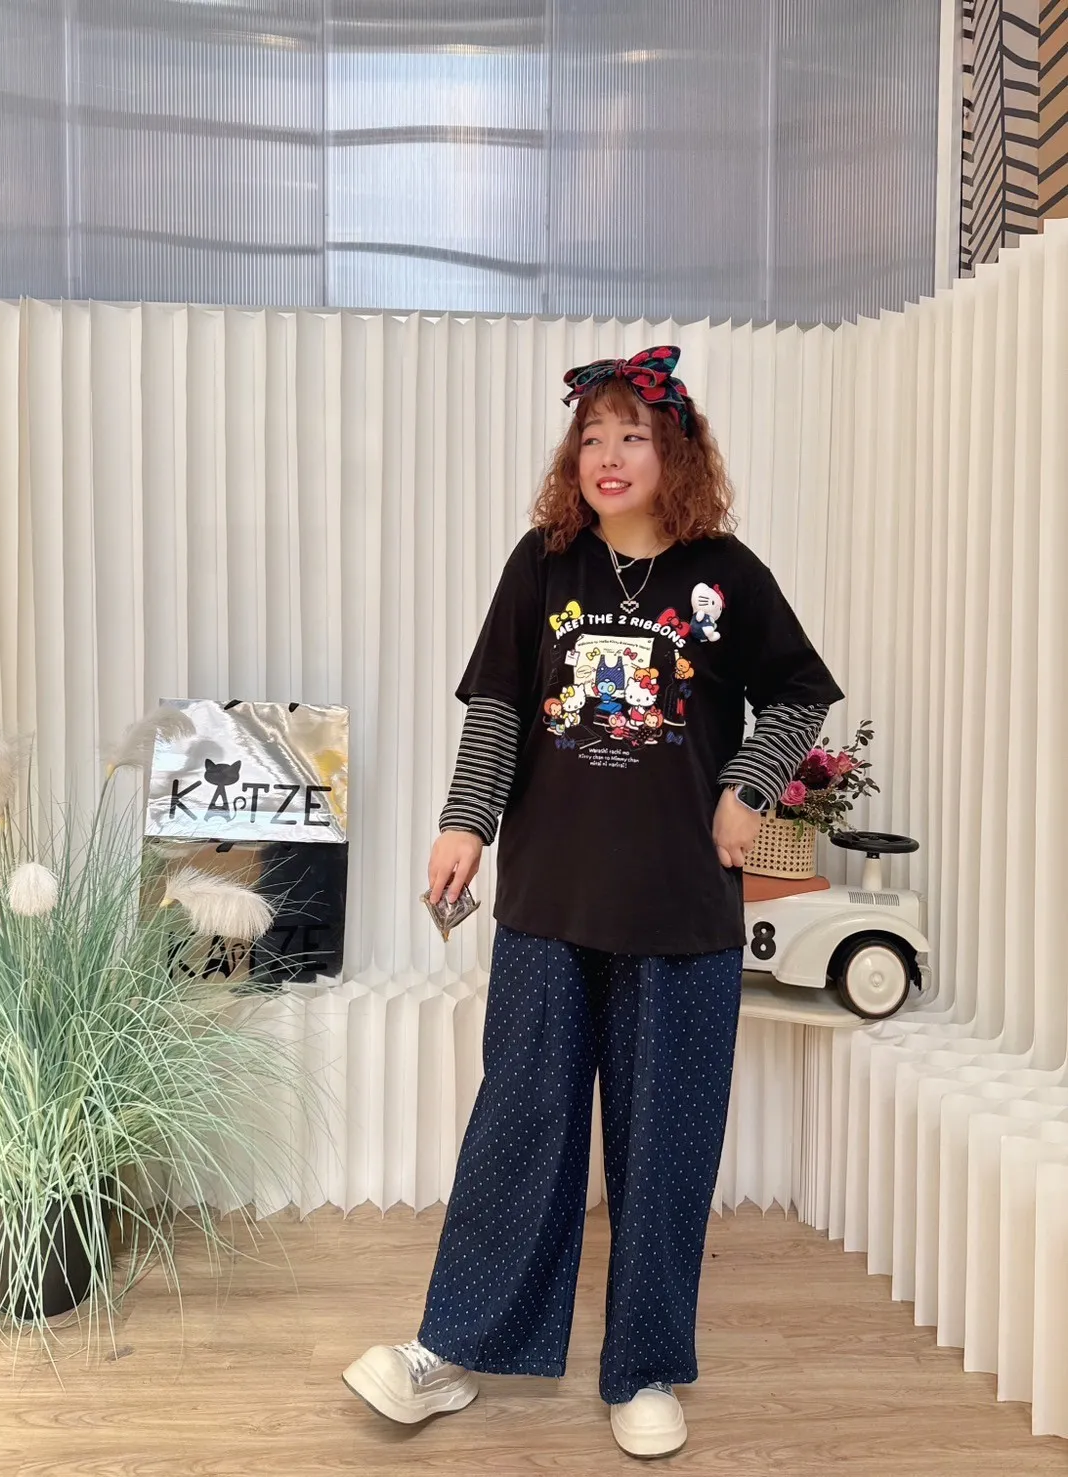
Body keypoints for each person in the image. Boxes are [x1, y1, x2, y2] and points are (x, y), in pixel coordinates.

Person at [343, 347, 843, 1460]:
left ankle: (645, 1366)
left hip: (681, 912)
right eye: (592, 436)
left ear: (677, 453)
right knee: (519, 1127)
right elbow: (497, 708)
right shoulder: (544, 563)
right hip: (549, 904)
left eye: (634, 436)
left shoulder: (725, 575)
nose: (609, 456)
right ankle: (453, 1347)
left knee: (666, 1146)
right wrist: (465, 823)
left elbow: (801, 693)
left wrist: (746, 789)